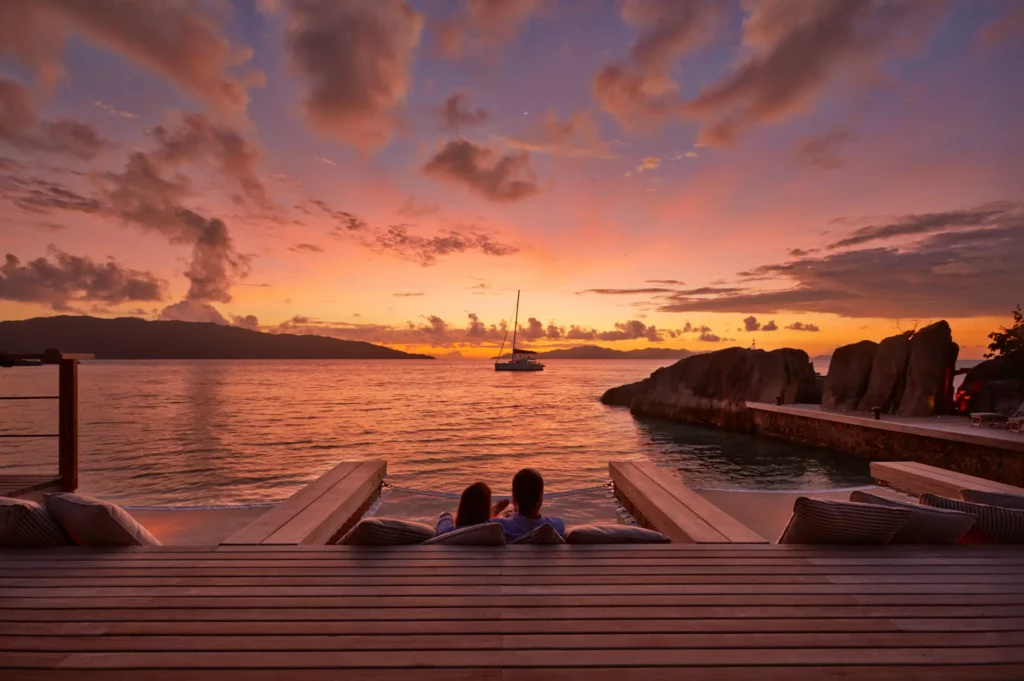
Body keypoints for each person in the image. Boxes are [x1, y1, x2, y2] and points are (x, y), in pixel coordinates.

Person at [491, 468, 565, 540]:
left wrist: (493, 513)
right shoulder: (557, 525)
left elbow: (483, 527)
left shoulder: (501, 526)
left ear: (514, 497)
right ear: (540, 496)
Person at [436, 481, 510, 534]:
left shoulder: (452, 533)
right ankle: (492, 513)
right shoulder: (496, 528)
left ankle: (492, 513)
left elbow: (443, 524)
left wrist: (446, 515)